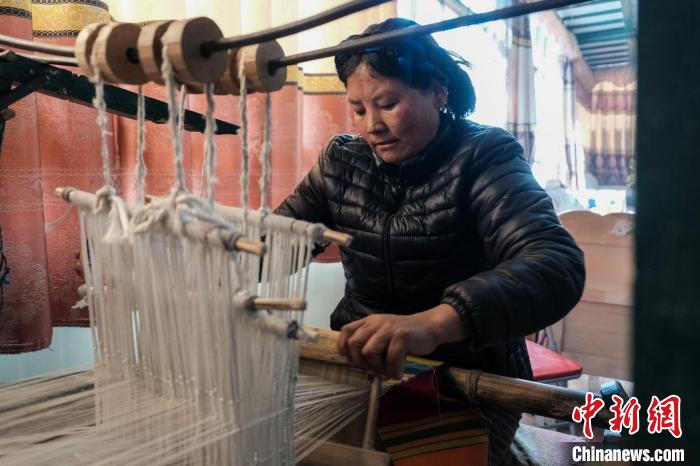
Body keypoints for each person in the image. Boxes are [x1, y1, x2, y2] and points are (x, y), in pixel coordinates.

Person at [275, 18, 585, 465]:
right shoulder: (341, 162)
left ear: (438, 92)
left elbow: (554, 265)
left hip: (465, 378)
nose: (372, 126)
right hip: (361, 367)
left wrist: (433, 324)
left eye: (388, 104)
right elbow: (278, 239)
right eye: (358, 109)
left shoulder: (484, 157)